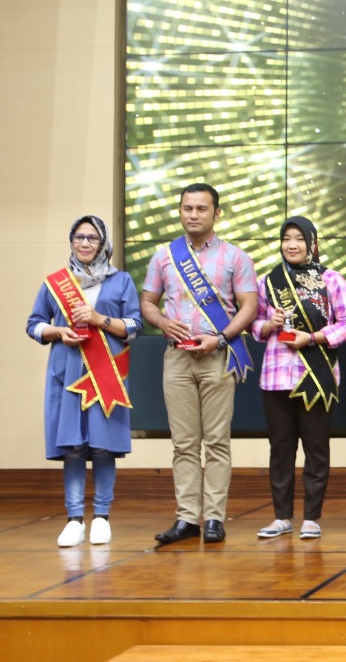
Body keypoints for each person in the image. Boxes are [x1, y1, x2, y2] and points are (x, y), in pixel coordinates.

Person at [140, 183, 258, 544]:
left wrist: (220, 338)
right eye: (187, 208)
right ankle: (188, 518)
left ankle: (214, 519)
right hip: (176, 358)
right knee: (183, 442)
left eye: (201, 209)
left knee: (217, 441)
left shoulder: (236, 257)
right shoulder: (163, 257)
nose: (193, 215)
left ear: (216, 213)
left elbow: (249, 307)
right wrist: (161, 322)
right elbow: (147, 302)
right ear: (180, 211)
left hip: (217, 356)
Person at [27, 216, 141, 547]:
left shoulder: (121, 281)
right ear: (72, 241)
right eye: (79, 237)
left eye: (93, 238)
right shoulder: (54, 283)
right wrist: (56, 331)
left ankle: (102, 517)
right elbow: (34, 324)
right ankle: (74, 519)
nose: (86, 243)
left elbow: (134, 325)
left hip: (105, 375)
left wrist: (98, 319)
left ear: (103, 242)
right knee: (73, 448)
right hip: (67, 373)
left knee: (103, 446)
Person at [251, 217, 346, 540]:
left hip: (316, 375)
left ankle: (311, 517)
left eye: (299, 238)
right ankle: (282, 517)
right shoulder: (268, 281)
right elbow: (253, 326)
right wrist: (269, 324)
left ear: (312, 243)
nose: (292, 245)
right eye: (286, 239)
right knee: (280, 449)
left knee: (316, 448)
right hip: (275, 379)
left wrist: (312, 338)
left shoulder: (331, 279)